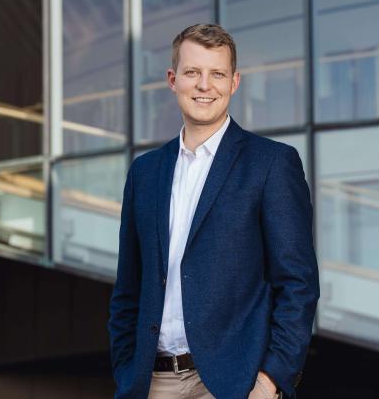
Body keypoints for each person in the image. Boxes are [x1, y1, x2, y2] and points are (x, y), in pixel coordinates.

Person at [108, 23, 319, 399]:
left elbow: (297, 285)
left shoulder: (271, 164)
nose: (204, 85)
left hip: (234, 385)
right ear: (173, 79)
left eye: (217, 74)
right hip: (153, 383)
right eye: (192, 72)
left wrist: (269, 382)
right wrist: (127, 370)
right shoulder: (145, 172)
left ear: (234, 82)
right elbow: (128, 287)